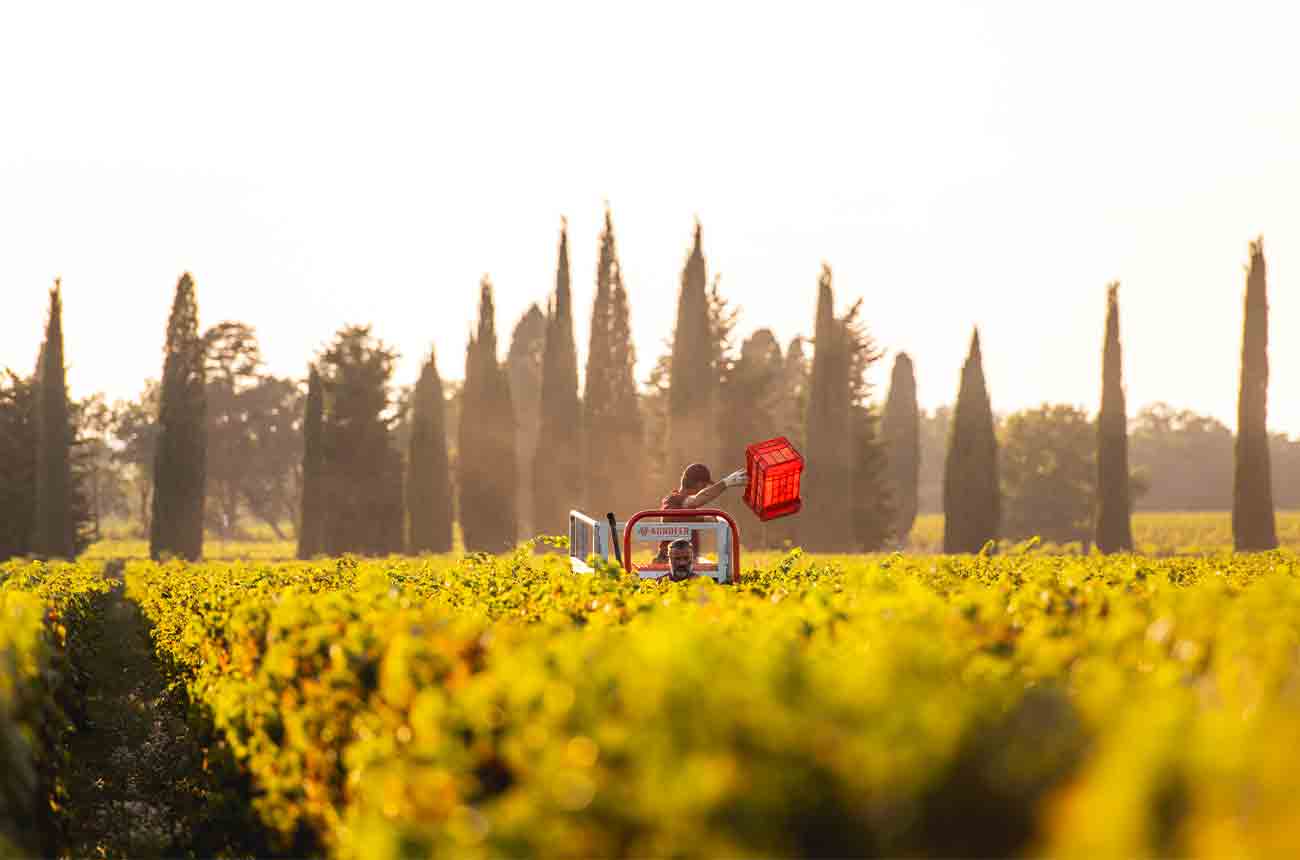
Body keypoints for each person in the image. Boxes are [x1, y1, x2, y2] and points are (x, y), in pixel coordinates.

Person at [654, 463, 747, 562]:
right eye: (706, 487)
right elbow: (696, 500)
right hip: (672, 558)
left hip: (685, 558)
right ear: (700, 485)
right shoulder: (674, 499)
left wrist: (706, 519)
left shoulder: (678, 501)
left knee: (709, 564)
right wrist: (726, 483)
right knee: (717, 570)